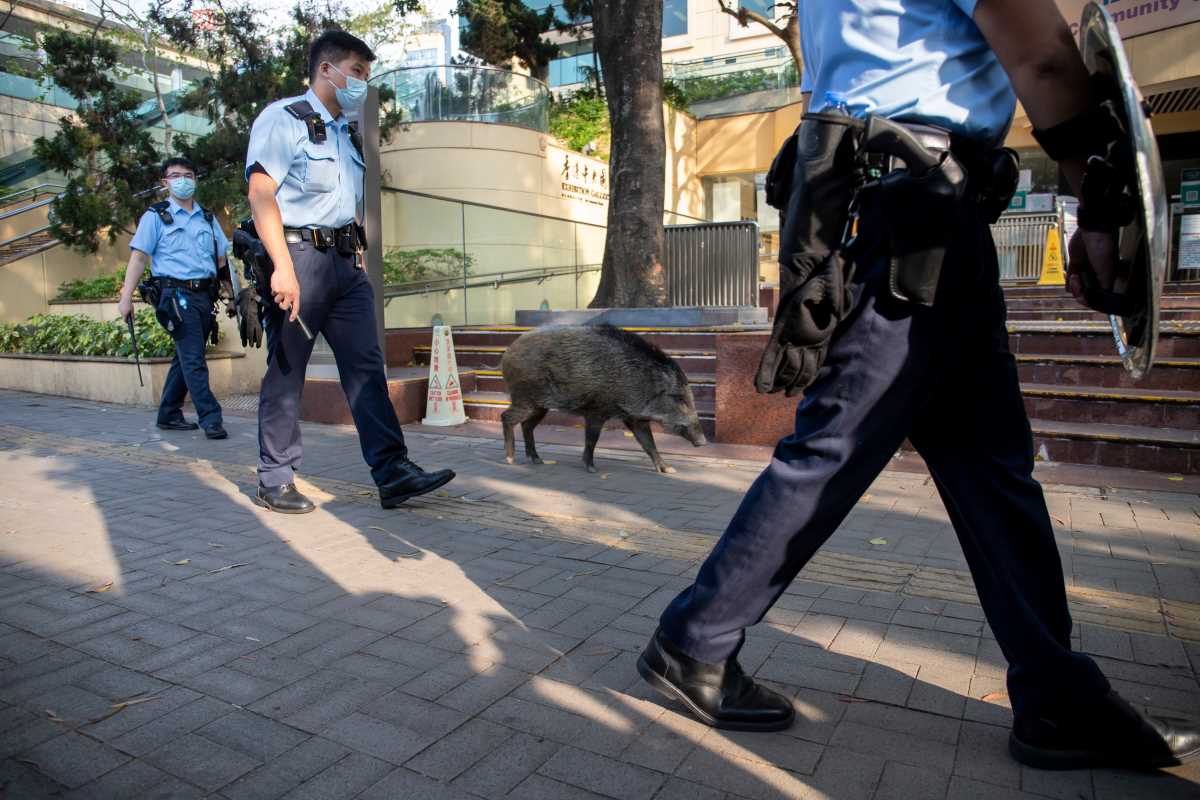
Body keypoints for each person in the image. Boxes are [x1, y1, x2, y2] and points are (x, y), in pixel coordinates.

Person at [637, 0, 1199, 771]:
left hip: (902, 207)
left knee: (989, 471)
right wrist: (1094, 196)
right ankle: (692, 639)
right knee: (837, 448)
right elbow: (1041, 56)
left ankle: (1056, 696)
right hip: (925, 216)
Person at [243, 30, 454, 515]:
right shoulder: (284, 119)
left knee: (366, 369)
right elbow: (261, 194)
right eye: (356, 72)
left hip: (344, 265)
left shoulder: (344, 133)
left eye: (365, 73)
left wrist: (355, 256)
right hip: (298, 260)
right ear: (326, 70)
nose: (362, 81)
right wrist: (281, 268)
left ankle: (392, 471)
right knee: (287, 371)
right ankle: (275, 478)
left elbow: (345, 206)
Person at [118, 157, 231, 440]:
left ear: (195, 179)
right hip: (175, 296)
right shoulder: (155, 216)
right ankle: (211, 418)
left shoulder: (207, 217)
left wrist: (231, 295)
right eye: (176, 175)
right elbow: (139, 257)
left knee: (186, 357)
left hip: (205, 295)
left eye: (188, 174)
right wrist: (125, 296)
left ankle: (168, 412)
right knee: (193, 358)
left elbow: (221, 260)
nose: (183, 180)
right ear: (165, 182)